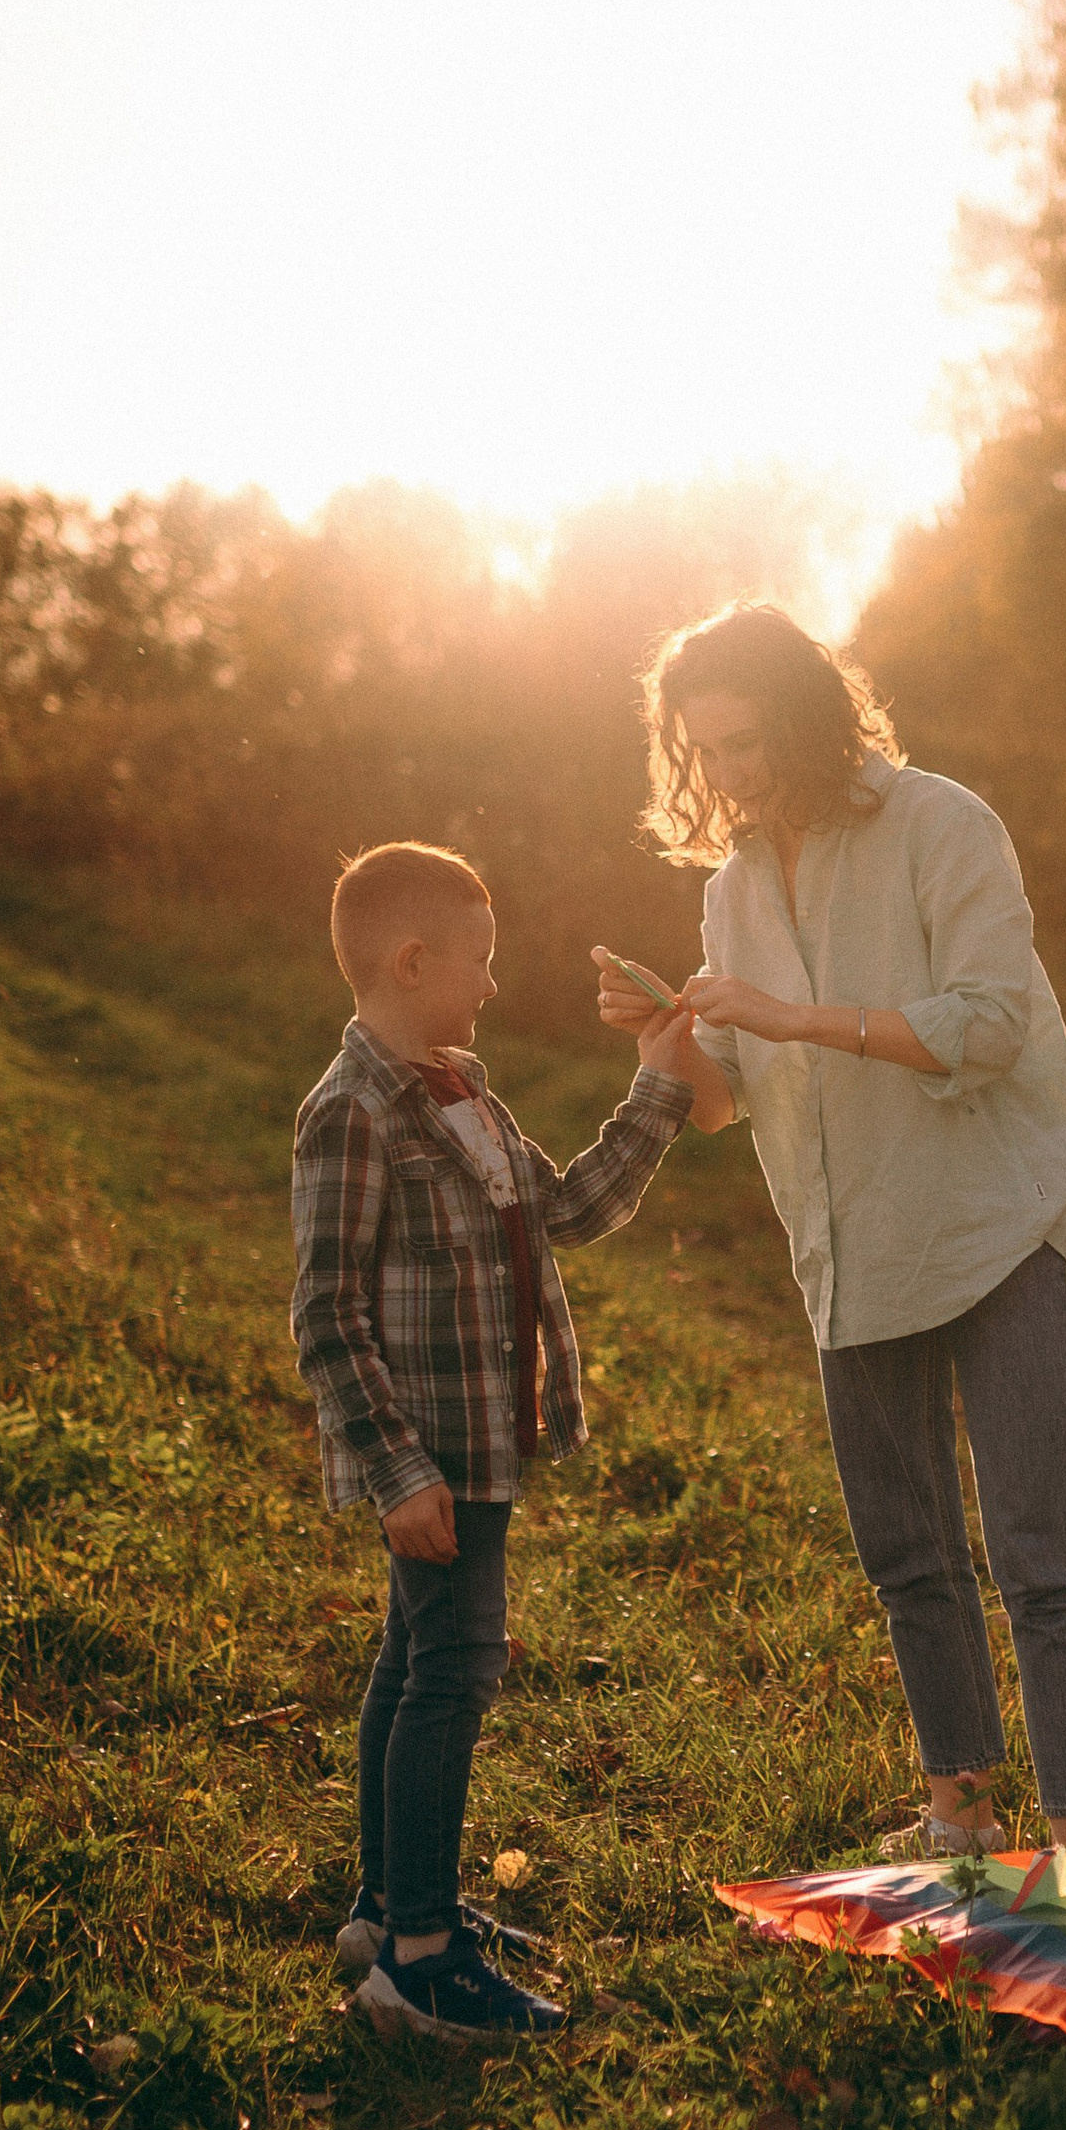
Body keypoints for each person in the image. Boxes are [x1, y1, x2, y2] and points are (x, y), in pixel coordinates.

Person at [606, 603, 1066, 1860]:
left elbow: (989, 1022)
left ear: (806, 717)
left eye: (746, 740)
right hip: (853, 1244)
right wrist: (667, 1042)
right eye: (706, 749)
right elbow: (724, 1099)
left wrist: (799, 1016)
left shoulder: (943, 823)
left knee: (1038, 1555)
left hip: (993, 1222)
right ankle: (960, 1818)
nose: (729, 772)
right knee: (909, 1555)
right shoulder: (731, 889)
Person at [293, 839, 700, 2043]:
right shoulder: (352, 1111)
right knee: (456, 1666)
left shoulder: (464, 1093)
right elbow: (325, 1311)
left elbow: (566, 1209)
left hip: (482, 1441)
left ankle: (386, 1909)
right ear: (413, 961)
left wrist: (656, 1084)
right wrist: (396, 1468)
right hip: (432, 1456)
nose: (492, 982)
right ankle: (420, 1962)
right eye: (479, 959)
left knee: (411, 1658)